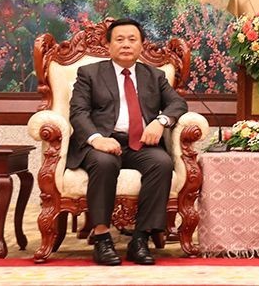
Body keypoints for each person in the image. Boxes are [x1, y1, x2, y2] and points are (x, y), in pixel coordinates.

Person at [68, 18, 188, 266]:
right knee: (104, 163)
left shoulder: (154, 76)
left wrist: (161, 121)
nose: (126, 45)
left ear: (142, 45)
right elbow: (78, 112)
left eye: (132, 40)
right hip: (102, 142)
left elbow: (178, 104)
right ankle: (101, 237)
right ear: (108, 45)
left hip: (140, 142)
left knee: (162, 163)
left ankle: (140, 240)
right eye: (119, 40)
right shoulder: (89, 73)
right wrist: (96, 139)